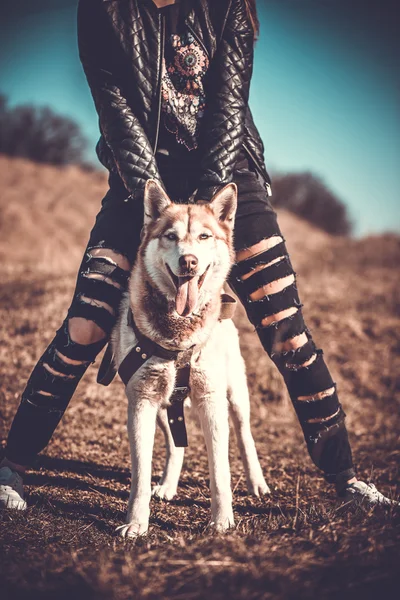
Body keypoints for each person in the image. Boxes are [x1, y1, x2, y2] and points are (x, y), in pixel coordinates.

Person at [0, 0, 396, 510]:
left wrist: (211, 223)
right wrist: (157, 214)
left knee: (285, 326)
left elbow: (229, 109)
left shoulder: (226, 6)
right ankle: (12, 468)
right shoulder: (103, 10)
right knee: (87, 324)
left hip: (229, 177)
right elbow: (115, 111)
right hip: (139, 186)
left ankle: (346, 477)